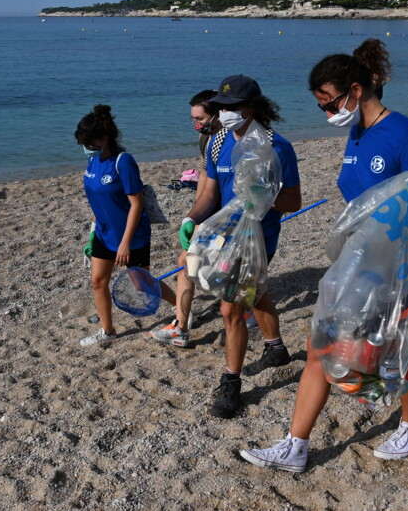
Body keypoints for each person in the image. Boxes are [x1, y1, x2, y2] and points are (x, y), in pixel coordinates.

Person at [240, 38, 408, 472]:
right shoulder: (357, 133)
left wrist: (391, 211)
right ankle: (295, 445)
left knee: (403, 349)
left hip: (403, 262)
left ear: (355, 90)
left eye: (330, 103)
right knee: (321, 344)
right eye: (321, 108)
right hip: (357, 258)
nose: (328, 114)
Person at [179, 75, 302, 418]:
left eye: (233, 107)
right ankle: (275, 348)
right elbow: (207, 194)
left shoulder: (277, 147)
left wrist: (261, 197)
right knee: (254, 292)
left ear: (252, 108)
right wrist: (191, 219)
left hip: (258, 240)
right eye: (222, 106)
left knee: (231, 307)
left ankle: (231, 383)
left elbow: (293, 200)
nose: (226, 112)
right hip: (221, 235)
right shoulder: (217, 143)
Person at [76, 105, 173, 347]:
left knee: (143, 283)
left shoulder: (124, 162)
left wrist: (125, 243)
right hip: (103, 233)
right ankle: (107, 330)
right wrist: (92, 230)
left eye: (87, 141)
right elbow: (98, 197)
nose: (84, 147)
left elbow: (136, 203)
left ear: (103, 138)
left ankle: (183, 309)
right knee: (98, 281)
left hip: (132, 236)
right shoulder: (94, 161)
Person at [149, 90, 220, 347]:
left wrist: (204, 217)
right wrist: (194, 214)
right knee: (186, 262)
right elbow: (204, 178)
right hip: (209, 214)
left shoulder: (230, 142)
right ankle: (181, 325)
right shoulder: (206, 139)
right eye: (193, 119)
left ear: (219, 114)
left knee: (195, 264)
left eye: (200, 119)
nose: (196, 124)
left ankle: (182, 324)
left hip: (228, 217)